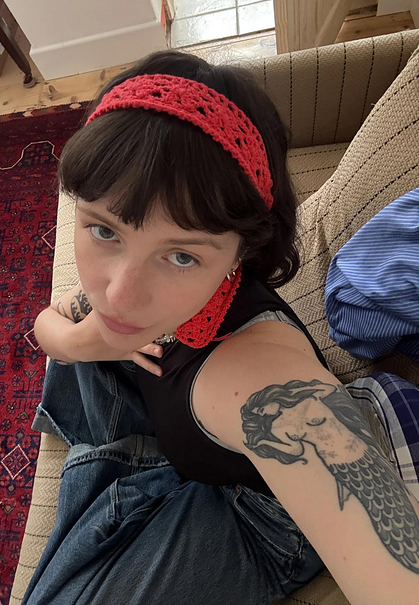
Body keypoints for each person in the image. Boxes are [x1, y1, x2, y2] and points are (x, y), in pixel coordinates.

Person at [25, 50, 419, 605]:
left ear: (242, 252)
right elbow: (49, 325)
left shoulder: (255, 374)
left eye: (181, 255)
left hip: (254, 517)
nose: (119, 295)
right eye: (104, 231)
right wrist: (88, 340)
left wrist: (91, 341)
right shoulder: (134, 303)